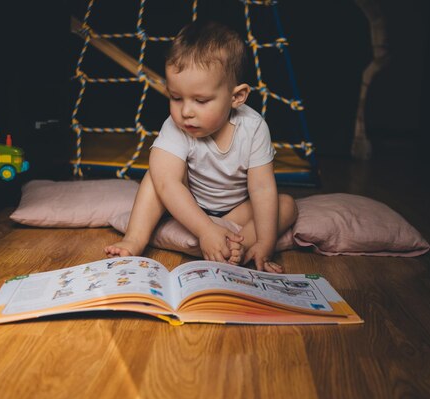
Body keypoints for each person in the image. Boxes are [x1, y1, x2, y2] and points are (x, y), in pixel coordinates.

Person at [105, 21, 298, 273]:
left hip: (235, 210)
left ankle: (241, 246)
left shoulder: (253, 127)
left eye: (201, 100)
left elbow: (261, 188)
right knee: (156, 176)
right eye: (176, 98)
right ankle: (135, 238)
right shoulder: (175, 127)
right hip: (187, 205)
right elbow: (168, 185)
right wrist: (205, 229)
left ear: (236, 97)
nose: (186, 111)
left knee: (285, 205)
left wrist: (266, 242)